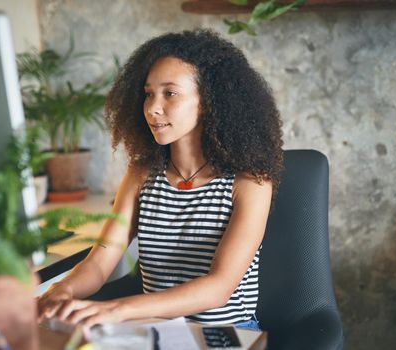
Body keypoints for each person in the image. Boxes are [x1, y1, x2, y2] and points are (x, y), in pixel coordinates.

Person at [37, 29, 283, 332]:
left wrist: (117, 309)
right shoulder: (141, 175)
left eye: (170, 93)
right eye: (149, 93)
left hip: (228, 334)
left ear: (208, 101)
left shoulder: (250, 183)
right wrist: (62, 291)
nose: (153, 107)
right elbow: (100, 263)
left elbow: (218, 288)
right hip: (157, 333)